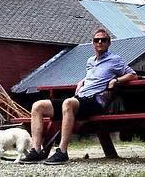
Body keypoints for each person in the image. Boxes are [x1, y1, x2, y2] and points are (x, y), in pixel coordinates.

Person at [23, 27, 136, 164]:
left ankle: (62, 152)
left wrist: (116, 80)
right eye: (97, 40)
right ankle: (36, 151)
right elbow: (94, 77)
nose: (100, 42)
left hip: (95, 101)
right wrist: (83, 80)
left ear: (108, 43)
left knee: (68, 103)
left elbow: (133, 75)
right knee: (38, 106)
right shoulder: (90, 61)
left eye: (103, 40)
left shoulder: (115, 60)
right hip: (80, 99)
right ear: (93, 43)